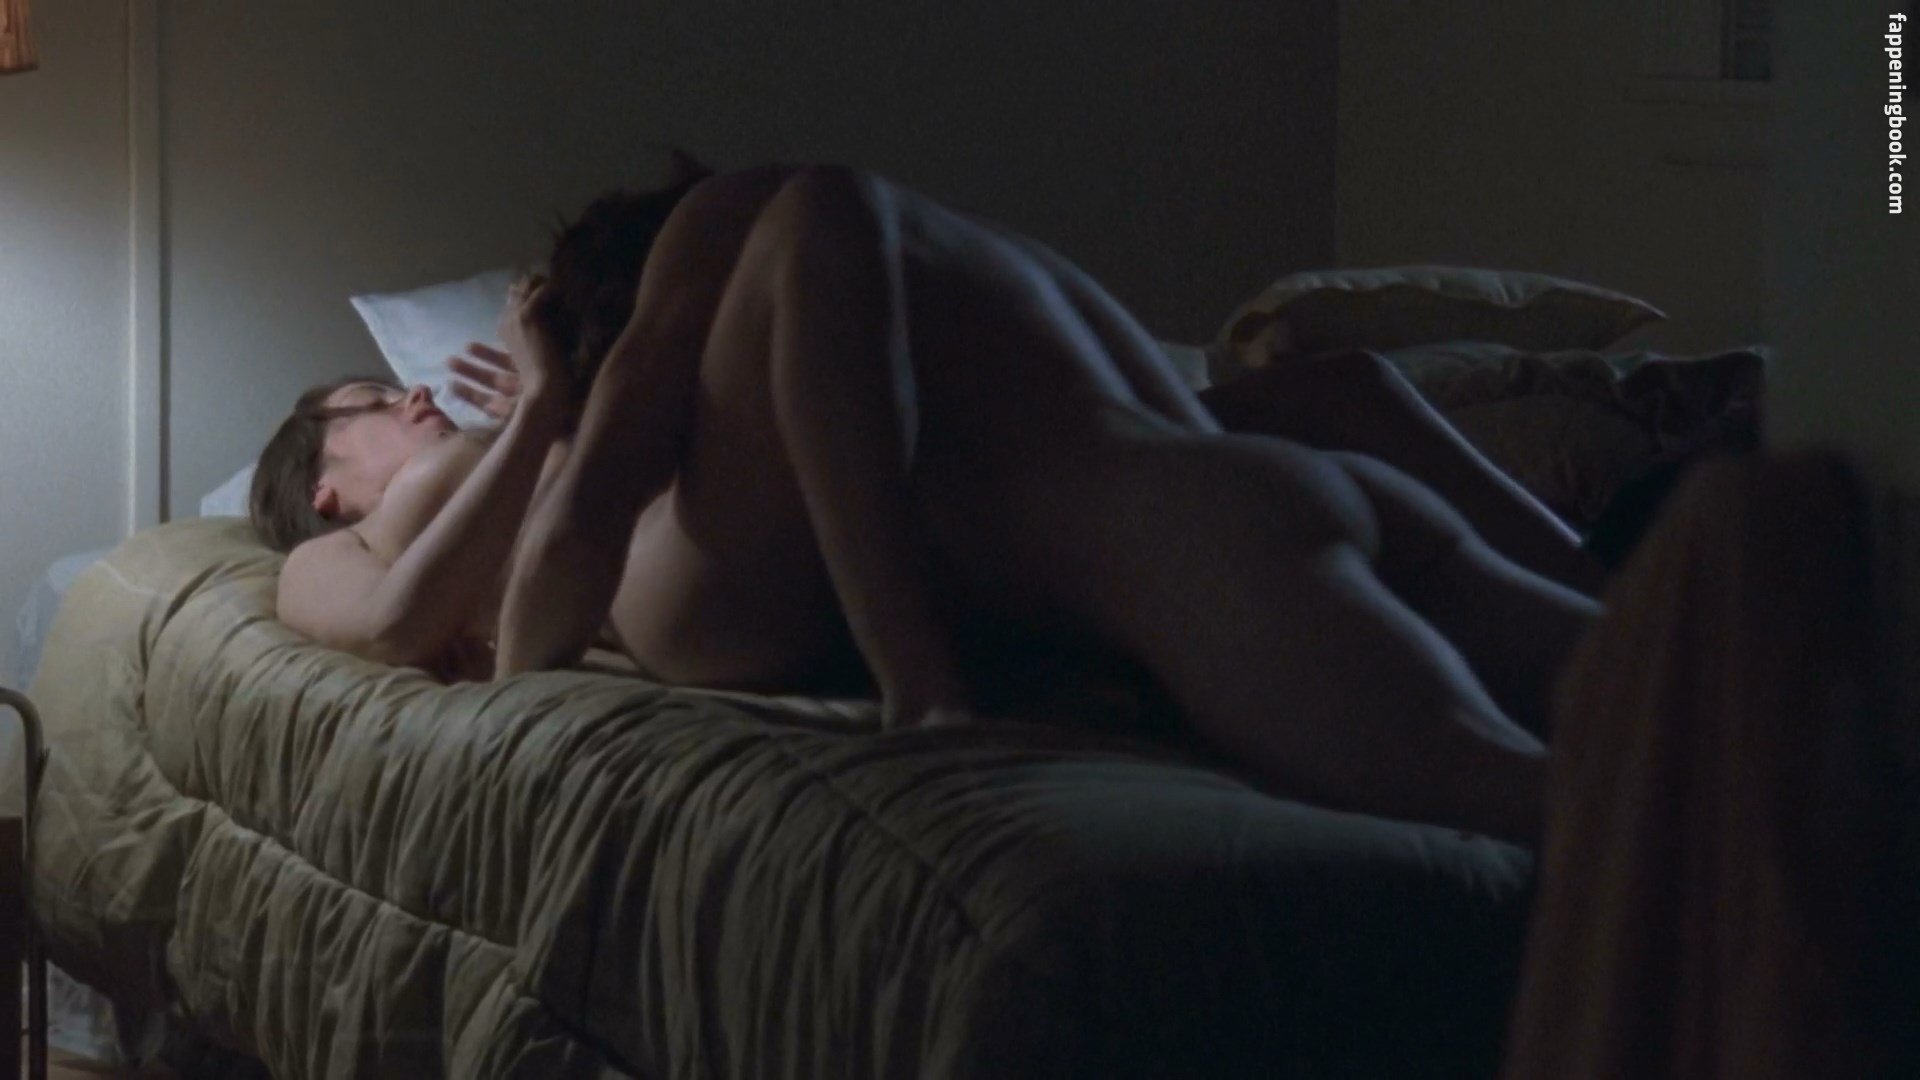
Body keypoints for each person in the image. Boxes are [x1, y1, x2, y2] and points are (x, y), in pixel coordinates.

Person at [251, 160, 1603, 844]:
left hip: (1203, 535)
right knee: (1630, 750)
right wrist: (556, 407)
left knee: (1600, 793)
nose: (414, 394)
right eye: (371, 401)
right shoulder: (325, 553)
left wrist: (555, 404)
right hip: (1260, 501)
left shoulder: (664, 362)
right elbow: (394, 623)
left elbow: (629, 494)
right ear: (323, 479)